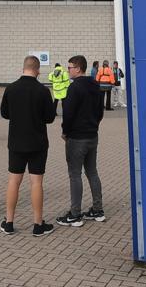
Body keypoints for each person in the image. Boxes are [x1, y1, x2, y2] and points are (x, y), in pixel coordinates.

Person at [0, 56, 56, 237]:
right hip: (38, 143)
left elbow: (5, 113)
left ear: (23, 67)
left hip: (16, 142)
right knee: (36, 183)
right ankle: (38, 224)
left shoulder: (11, 88)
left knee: (13, 181)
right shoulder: (42, 91)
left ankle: (9, 222)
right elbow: (49, 118)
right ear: (38, 70)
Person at [57, 55, 105, 228]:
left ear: (78, 68)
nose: (67, 70)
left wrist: (65, 131)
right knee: (92, 172)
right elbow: (100, 112)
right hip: (93, 135)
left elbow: (68, 113)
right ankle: (97, 209)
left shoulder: (74, 87)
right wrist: (94, 126)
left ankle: (75, 214)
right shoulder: (95, 85)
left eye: (69, 67)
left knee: (75, 174)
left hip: (77, 138)